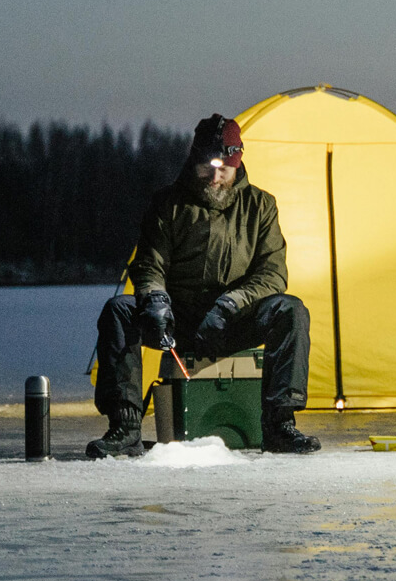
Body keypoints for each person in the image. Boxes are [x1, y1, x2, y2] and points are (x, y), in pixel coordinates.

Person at [87, 114, 320, 458]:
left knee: (291, 311)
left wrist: (230, 304)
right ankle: (125, 426)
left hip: (233, 320)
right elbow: (150, 263)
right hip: (177, 320)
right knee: (120, 311)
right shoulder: (168, 205)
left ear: (237, 164)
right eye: (208, 167)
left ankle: (280, 425)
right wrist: (155, 300)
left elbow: (272, 274)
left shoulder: (260, 206)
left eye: (224, 169)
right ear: (194, 160)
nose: (215, 176)